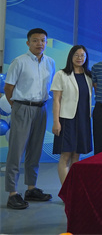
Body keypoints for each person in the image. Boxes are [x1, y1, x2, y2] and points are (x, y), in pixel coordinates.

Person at [4, 28, 55, 210]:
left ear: (46, 42)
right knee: (16, 151)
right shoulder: (19, 61)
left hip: (41, 109)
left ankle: (31, 188)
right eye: (35, 40)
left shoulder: (50, 62)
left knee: (35, 149)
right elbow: (8, 87)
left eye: (43, 40)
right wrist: (16, 106)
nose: (39, 43)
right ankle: (12, 193)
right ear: (28, 43)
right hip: (22, 107)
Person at [51, 45, 93, 184]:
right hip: (67, 120)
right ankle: (66, 190)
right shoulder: (61, 74)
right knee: (65, 155)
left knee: (76, 155)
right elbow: (56, 100)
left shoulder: (88, 75)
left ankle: (74, 188)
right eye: (76, 55)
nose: (79, 58)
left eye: (82, 55)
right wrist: (56, 122)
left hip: (83, 119)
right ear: (71, 56)